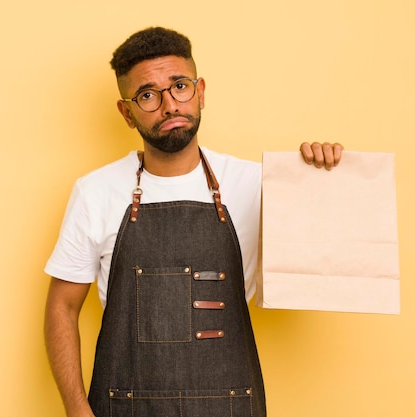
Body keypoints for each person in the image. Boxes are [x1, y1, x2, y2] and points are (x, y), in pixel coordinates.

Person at [44, 26, 343, 417]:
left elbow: (323, 259)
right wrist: (77, 411)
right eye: (147, 95)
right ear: (127, 113)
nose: (169, 105)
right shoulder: (95, 192)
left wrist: (323, 173)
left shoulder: (258, 184)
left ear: (200, 92)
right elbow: (61, 308)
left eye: (179, 86)